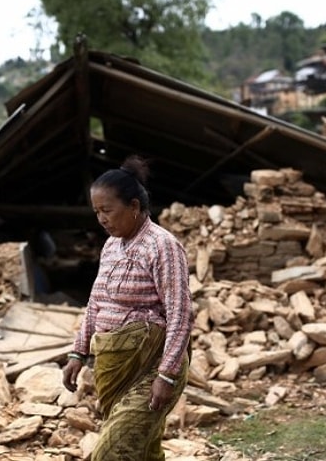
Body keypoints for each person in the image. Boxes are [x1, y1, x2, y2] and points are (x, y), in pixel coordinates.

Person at [62, 155, 193, 461]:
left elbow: (180, 313)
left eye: (107, 210)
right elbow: (96, 301)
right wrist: (77, 353)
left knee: (113, 453)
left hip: (151, 369)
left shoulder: (162, 246)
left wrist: (167, 376)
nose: (101, 219)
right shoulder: (110, 246)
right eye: (96, 212)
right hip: (114, 370)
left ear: (134, 206)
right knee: (143, 452)